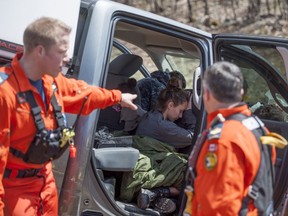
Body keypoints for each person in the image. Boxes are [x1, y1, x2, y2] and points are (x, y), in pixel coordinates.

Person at [0, 17, 137, 216]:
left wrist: (117, 97)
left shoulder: (51, 82)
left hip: (44, 184)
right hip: (15, 190)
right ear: (40, 50)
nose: (67, 59)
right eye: (62, 52)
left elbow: (82, 93)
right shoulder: (5, 92)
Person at [188, 61, 276, 215]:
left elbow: (218, 207)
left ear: (207, 94)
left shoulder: (223, 140)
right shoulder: (259, 128)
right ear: (241, 92)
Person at [118, 86, 193, 214]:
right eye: (180, 111)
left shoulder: (152, 115)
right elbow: (192, 136)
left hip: (142, 162)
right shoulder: (162, 126)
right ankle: (158, 194)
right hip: (145, 166)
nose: (181, 116)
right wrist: (190, 112)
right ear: (170, 105)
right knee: (188, 175)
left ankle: (153, 197)